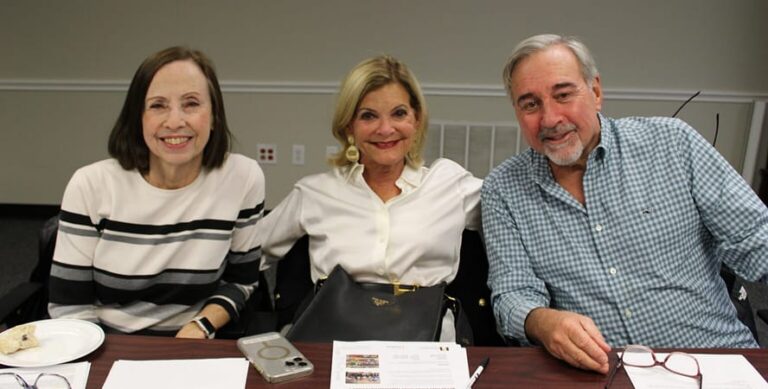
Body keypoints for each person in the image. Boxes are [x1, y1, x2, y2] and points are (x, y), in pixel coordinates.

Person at [482, 33, 768, 373]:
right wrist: (541, 321)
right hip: (601, 373)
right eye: (530, 104)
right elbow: (512, 293)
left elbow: (757, 240)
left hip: (715, 362)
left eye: (563, 95)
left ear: (596, 91)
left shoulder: (673, 144)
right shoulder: (503, 189)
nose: (550, 118)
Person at [48, 47, 265, 338]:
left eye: (191, 103)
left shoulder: (242, 178)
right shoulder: (90, 185)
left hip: (197, 342)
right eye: (158, 105)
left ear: (213, 116)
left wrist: (200, 327)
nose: (175, 121)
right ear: (138, 118)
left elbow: (241, 283)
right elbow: (69, 307)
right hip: (107, 342)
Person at [260, 55, 481, 340]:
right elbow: (248, 255)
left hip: (428, 343)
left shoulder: (450, 184)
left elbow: (518, 217)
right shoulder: (315, 193)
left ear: (416, 119)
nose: (385, 129)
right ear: (349, 127)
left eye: (399, 113)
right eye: (368, 116)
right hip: (334, 340)